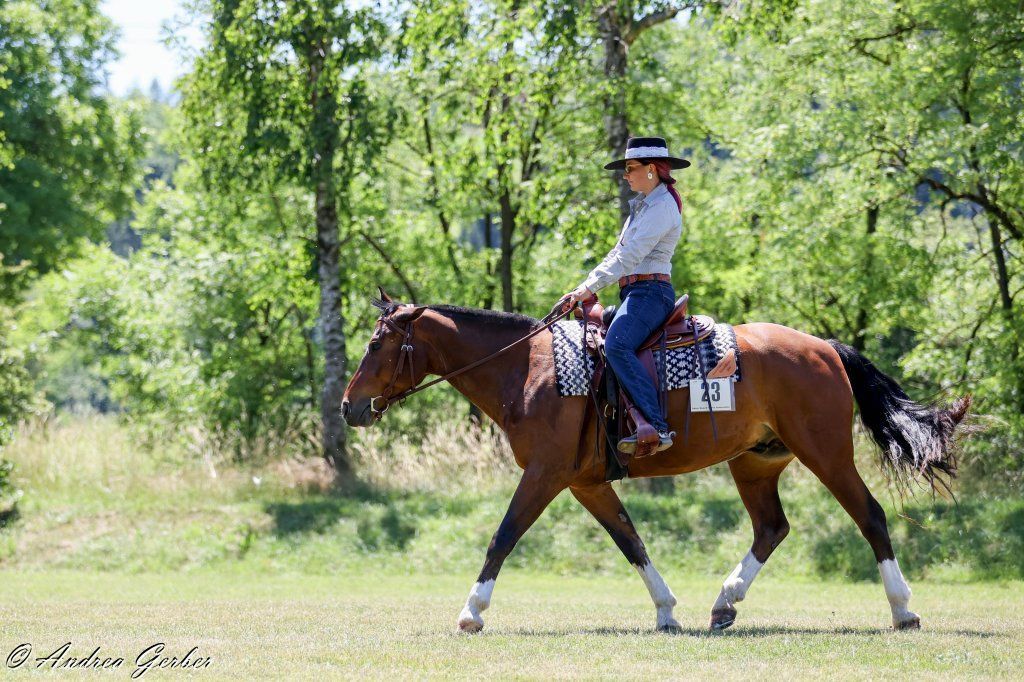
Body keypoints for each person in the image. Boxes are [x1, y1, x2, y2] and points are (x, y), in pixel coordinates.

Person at [562, 136, 689, 453]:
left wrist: (589, 288)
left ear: (651, 169)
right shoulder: (644, 207)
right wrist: (584, 286)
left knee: (617, 345)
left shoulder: (662, 207)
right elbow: (615, 254)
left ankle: (657, 427)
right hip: (636, 292)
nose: (625, 174)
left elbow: (629, 257)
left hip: (650, 292)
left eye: (630, 168)